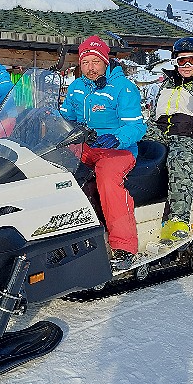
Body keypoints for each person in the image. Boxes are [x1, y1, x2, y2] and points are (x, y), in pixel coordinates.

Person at [60, 35, 146, 270]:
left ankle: (124, 247)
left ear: (105, 62)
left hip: (117, 149)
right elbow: (67, 117)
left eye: (95, 62)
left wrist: (117, 138)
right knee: (55, 171)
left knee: (108, 182)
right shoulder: (77, 87)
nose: (90, 68)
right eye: (85, 62)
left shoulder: (123, 88)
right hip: (86, 146)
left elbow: (137, 126)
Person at [144, 37, 193, 241]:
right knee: (134, 150)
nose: (187, 65)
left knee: (179, 160)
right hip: (160, 129)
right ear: (175, 61)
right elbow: (155, 112)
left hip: (188, 132)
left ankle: (178, 219)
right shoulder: (167, 82)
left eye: (192, 61)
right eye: (182, 60)